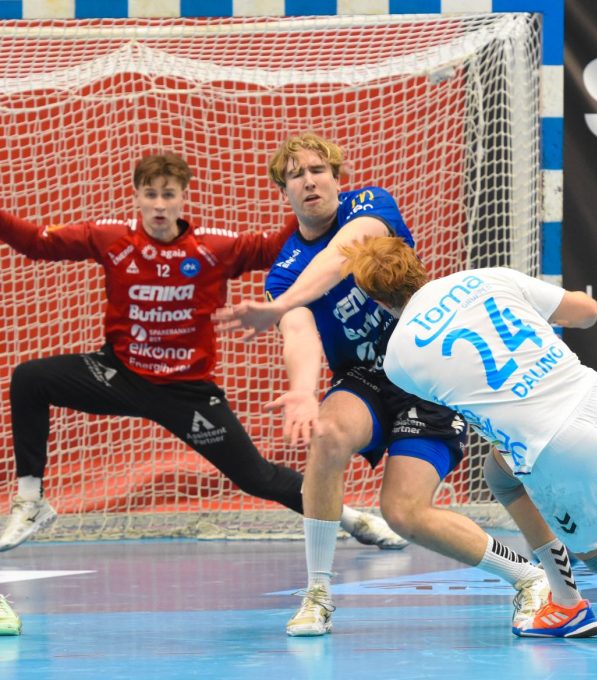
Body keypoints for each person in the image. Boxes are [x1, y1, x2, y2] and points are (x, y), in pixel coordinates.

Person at [218, 133, 553, 638]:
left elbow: (340, 256)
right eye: (296, 175)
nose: (309, 181)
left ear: (338, 178)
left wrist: (284, 304)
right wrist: (304, 389)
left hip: (423, 373)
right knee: (328, 433)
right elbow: (300, 333)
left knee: (404, 513)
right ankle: (317, 593)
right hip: (364, 379)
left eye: (318, 170)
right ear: (283, 192)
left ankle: (528, 577)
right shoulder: (284, 273)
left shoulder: (370, 206)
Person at [0, 152, 409, 561]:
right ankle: (31, 501)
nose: (159, 205)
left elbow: (273, 247)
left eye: (168, 195)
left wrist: (307, 198)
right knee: (30, 379)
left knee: (257, 478)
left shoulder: (213, 248)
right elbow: (37, 243)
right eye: (150, 195)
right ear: (136, 196)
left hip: (186, 392)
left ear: (183, 198)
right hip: (119, 374)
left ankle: (353, 519)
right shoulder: (111, 238)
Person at [336, 234, 597, 637]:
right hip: (595, 400)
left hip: (555, 444)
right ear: (418, 264)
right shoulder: (488, 277)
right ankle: (564, 600)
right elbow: (586, 311)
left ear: (377, 301)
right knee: (500, 474)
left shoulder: (399, 359)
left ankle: (570, 606)